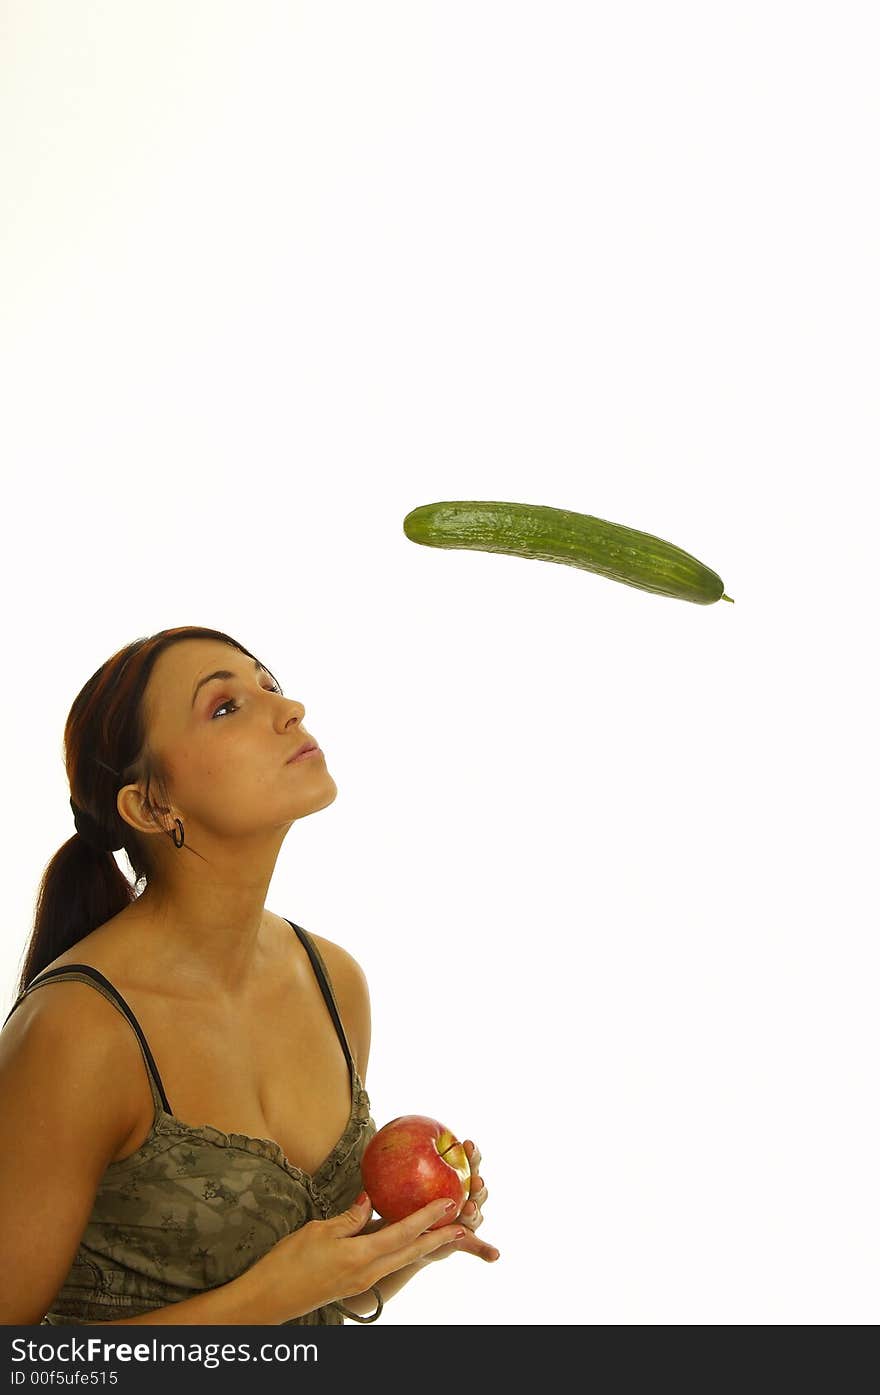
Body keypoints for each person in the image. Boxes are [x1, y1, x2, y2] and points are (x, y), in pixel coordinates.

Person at [0, 625, 498, 1324]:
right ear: (150, 806)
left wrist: (404, 1248)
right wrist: (269, 1297)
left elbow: (336, 1290)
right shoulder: (78, 1032)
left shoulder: (333, 981)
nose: (289, 707)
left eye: (268, 683)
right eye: (225, 706)